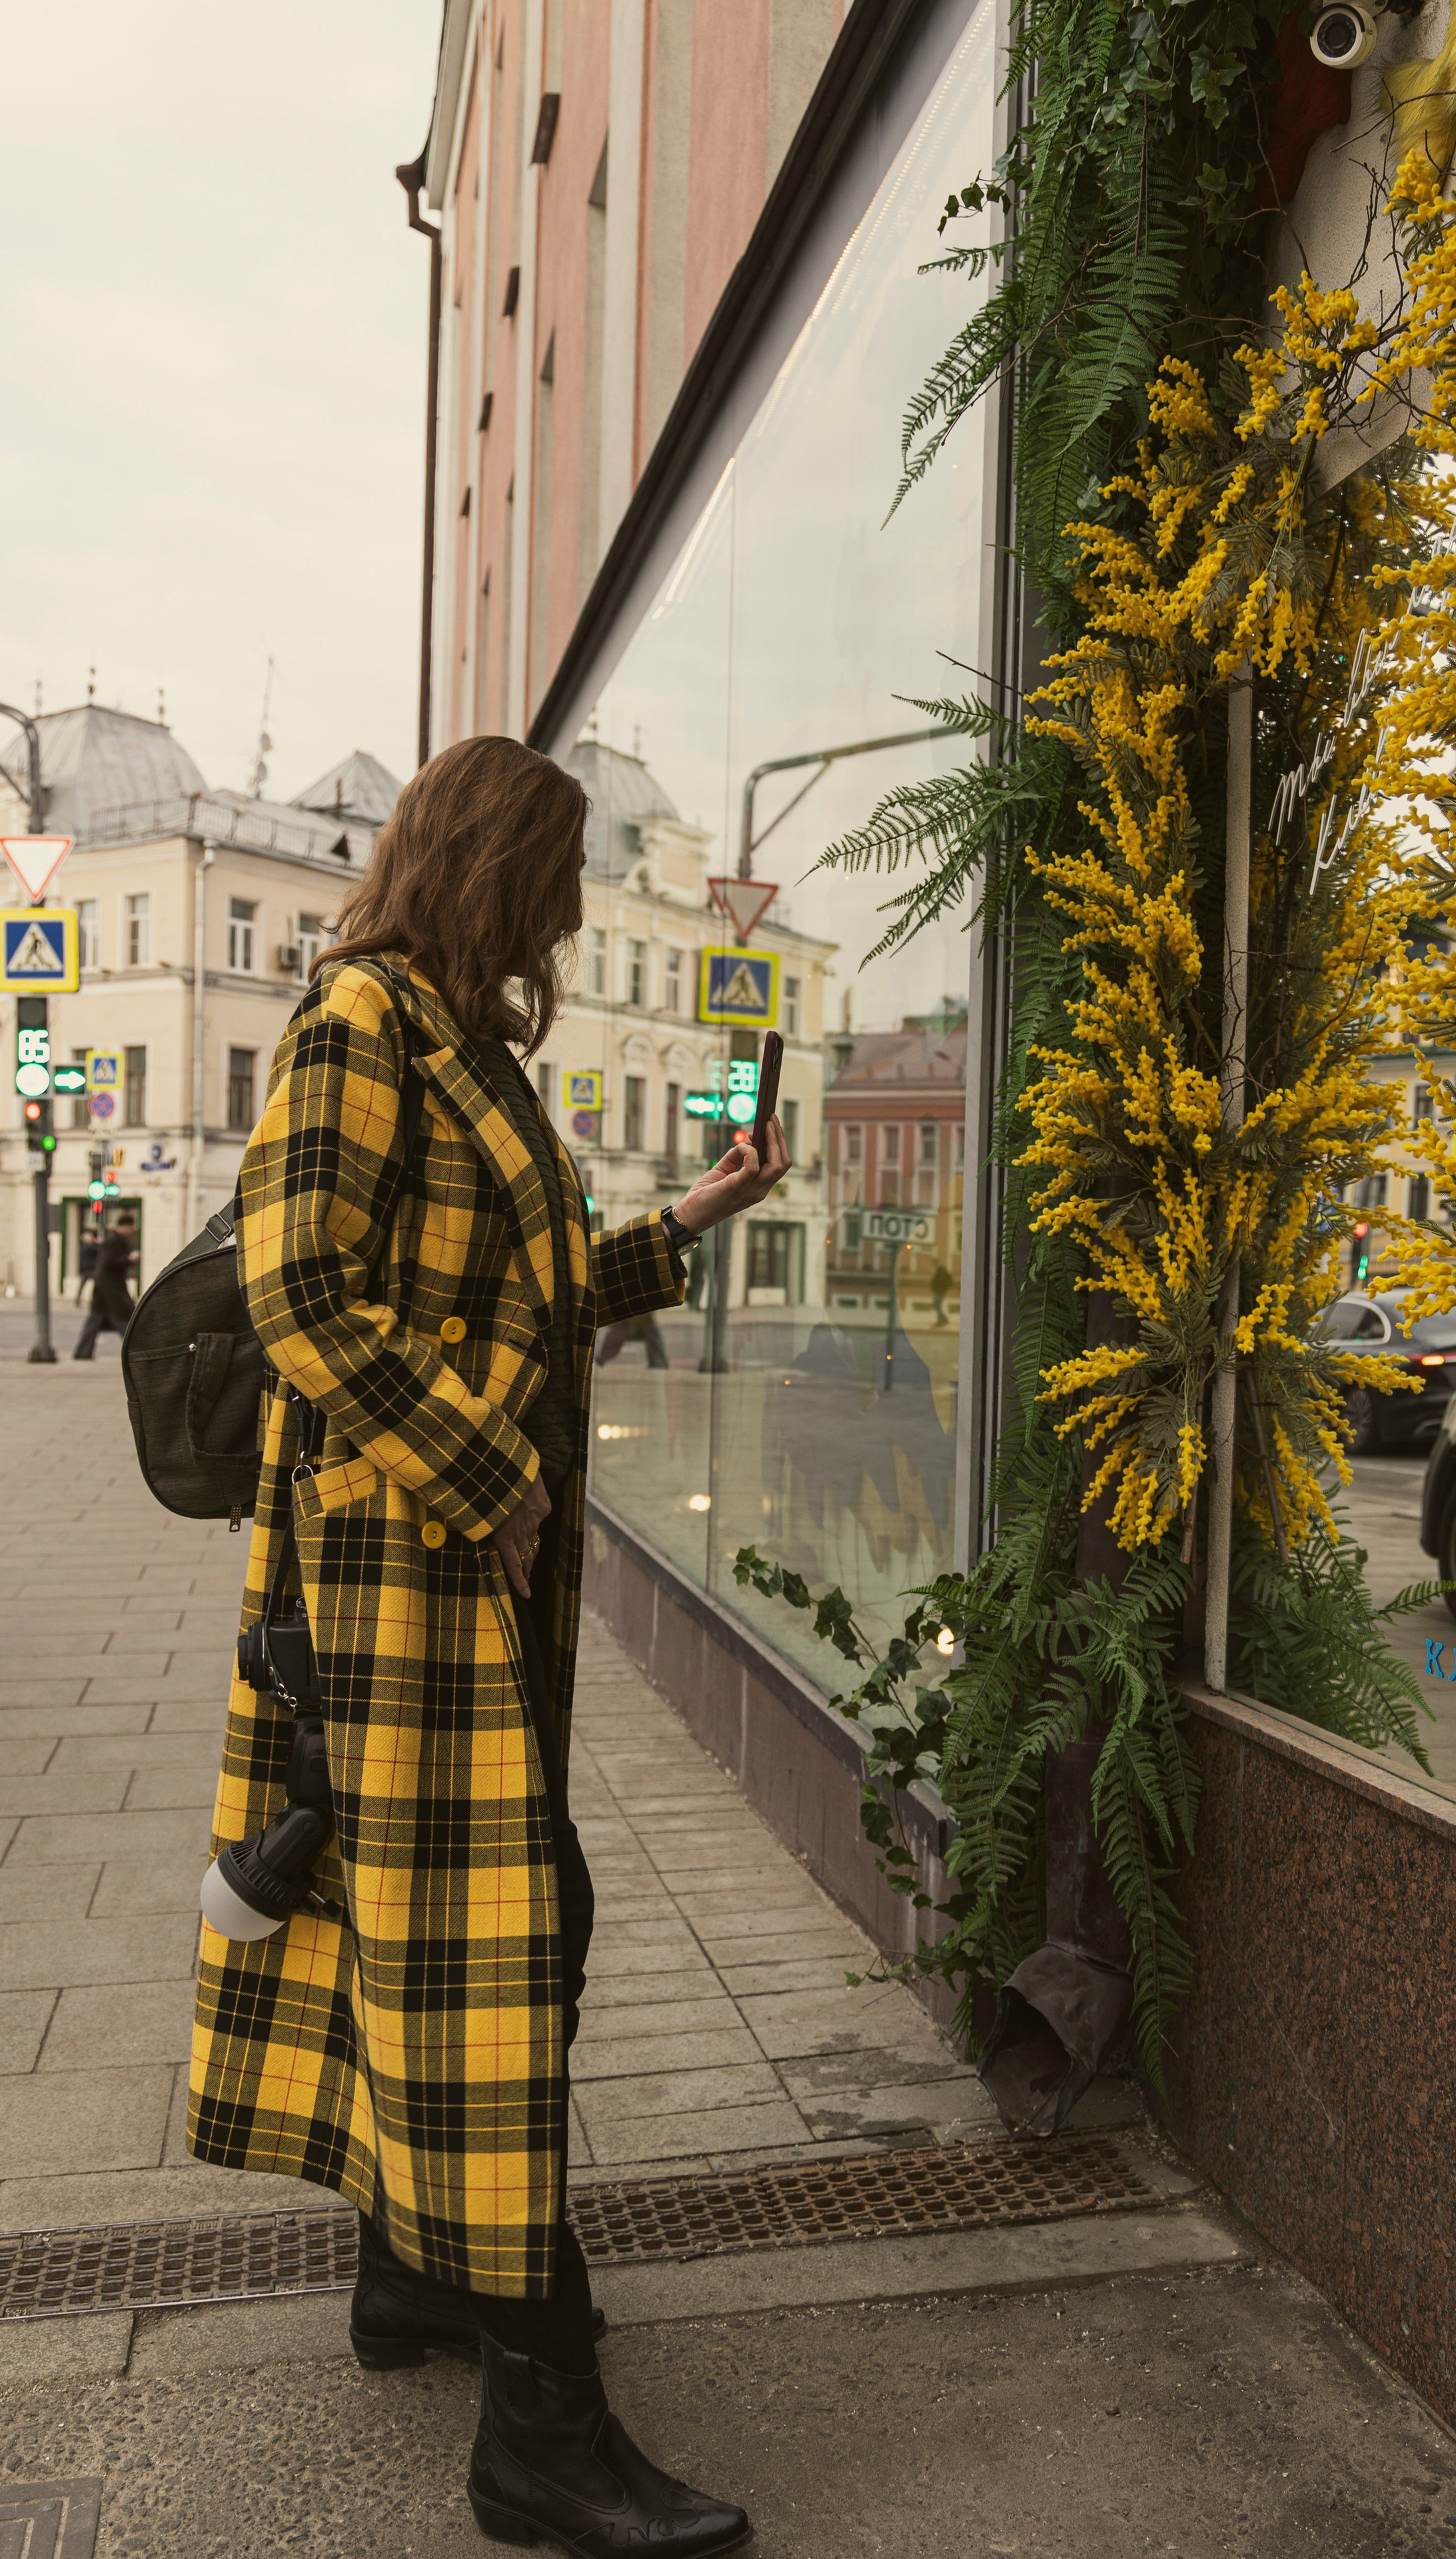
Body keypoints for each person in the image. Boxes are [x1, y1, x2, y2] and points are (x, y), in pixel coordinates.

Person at [187, 736, 788, 2556]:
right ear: (492, 861)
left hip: (457, 1593)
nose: (573, 909)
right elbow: (297, 1289)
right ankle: (541, 2417)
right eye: (558, 872)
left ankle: (411, 2276)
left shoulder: (464, 1045)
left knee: (458, 1936)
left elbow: (508, 1295)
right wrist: (481, 1474)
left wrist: (682, 1226)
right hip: (391, 1589)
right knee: (498, 1961)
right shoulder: (359, 1022)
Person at [72, 1211, 137, 1357]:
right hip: (111, 1289)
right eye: (131, 1227)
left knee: (97, 1319)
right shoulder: (114, 1240)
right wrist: (128, 1260)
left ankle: (83, 1353)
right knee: (125, 1319)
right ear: (125, 1226)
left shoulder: (114, 1239)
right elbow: (110, 1262)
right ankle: (135, 1351)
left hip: (105, 1288)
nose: (132, 1230)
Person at [75, 1225, 99, 1303]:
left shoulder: (84, 1247)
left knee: (84, 1286)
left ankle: (79, 1299)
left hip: (87, 1269)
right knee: (96, 1285)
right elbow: (98, 1250)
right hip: (90, 1269)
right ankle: (81, 1299)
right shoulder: (88, 1247)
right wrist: (97, 1243)